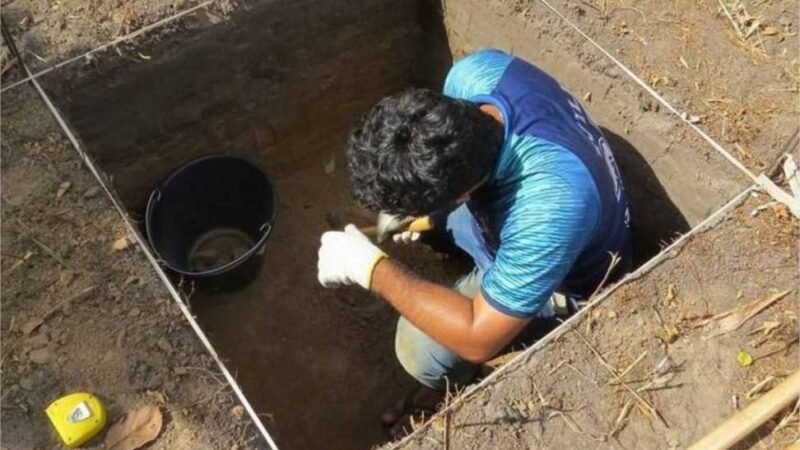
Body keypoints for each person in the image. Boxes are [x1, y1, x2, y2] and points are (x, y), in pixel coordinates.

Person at [316, 48, 631, 436]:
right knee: (445, 230)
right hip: (532, 209)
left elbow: (477, 337)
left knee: (422, 350)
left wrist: (371, 269)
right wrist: (431, 217)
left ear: (461, 194)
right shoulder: (473, 77)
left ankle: (449, 387)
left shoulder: (547, 208)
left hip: (573, 280)